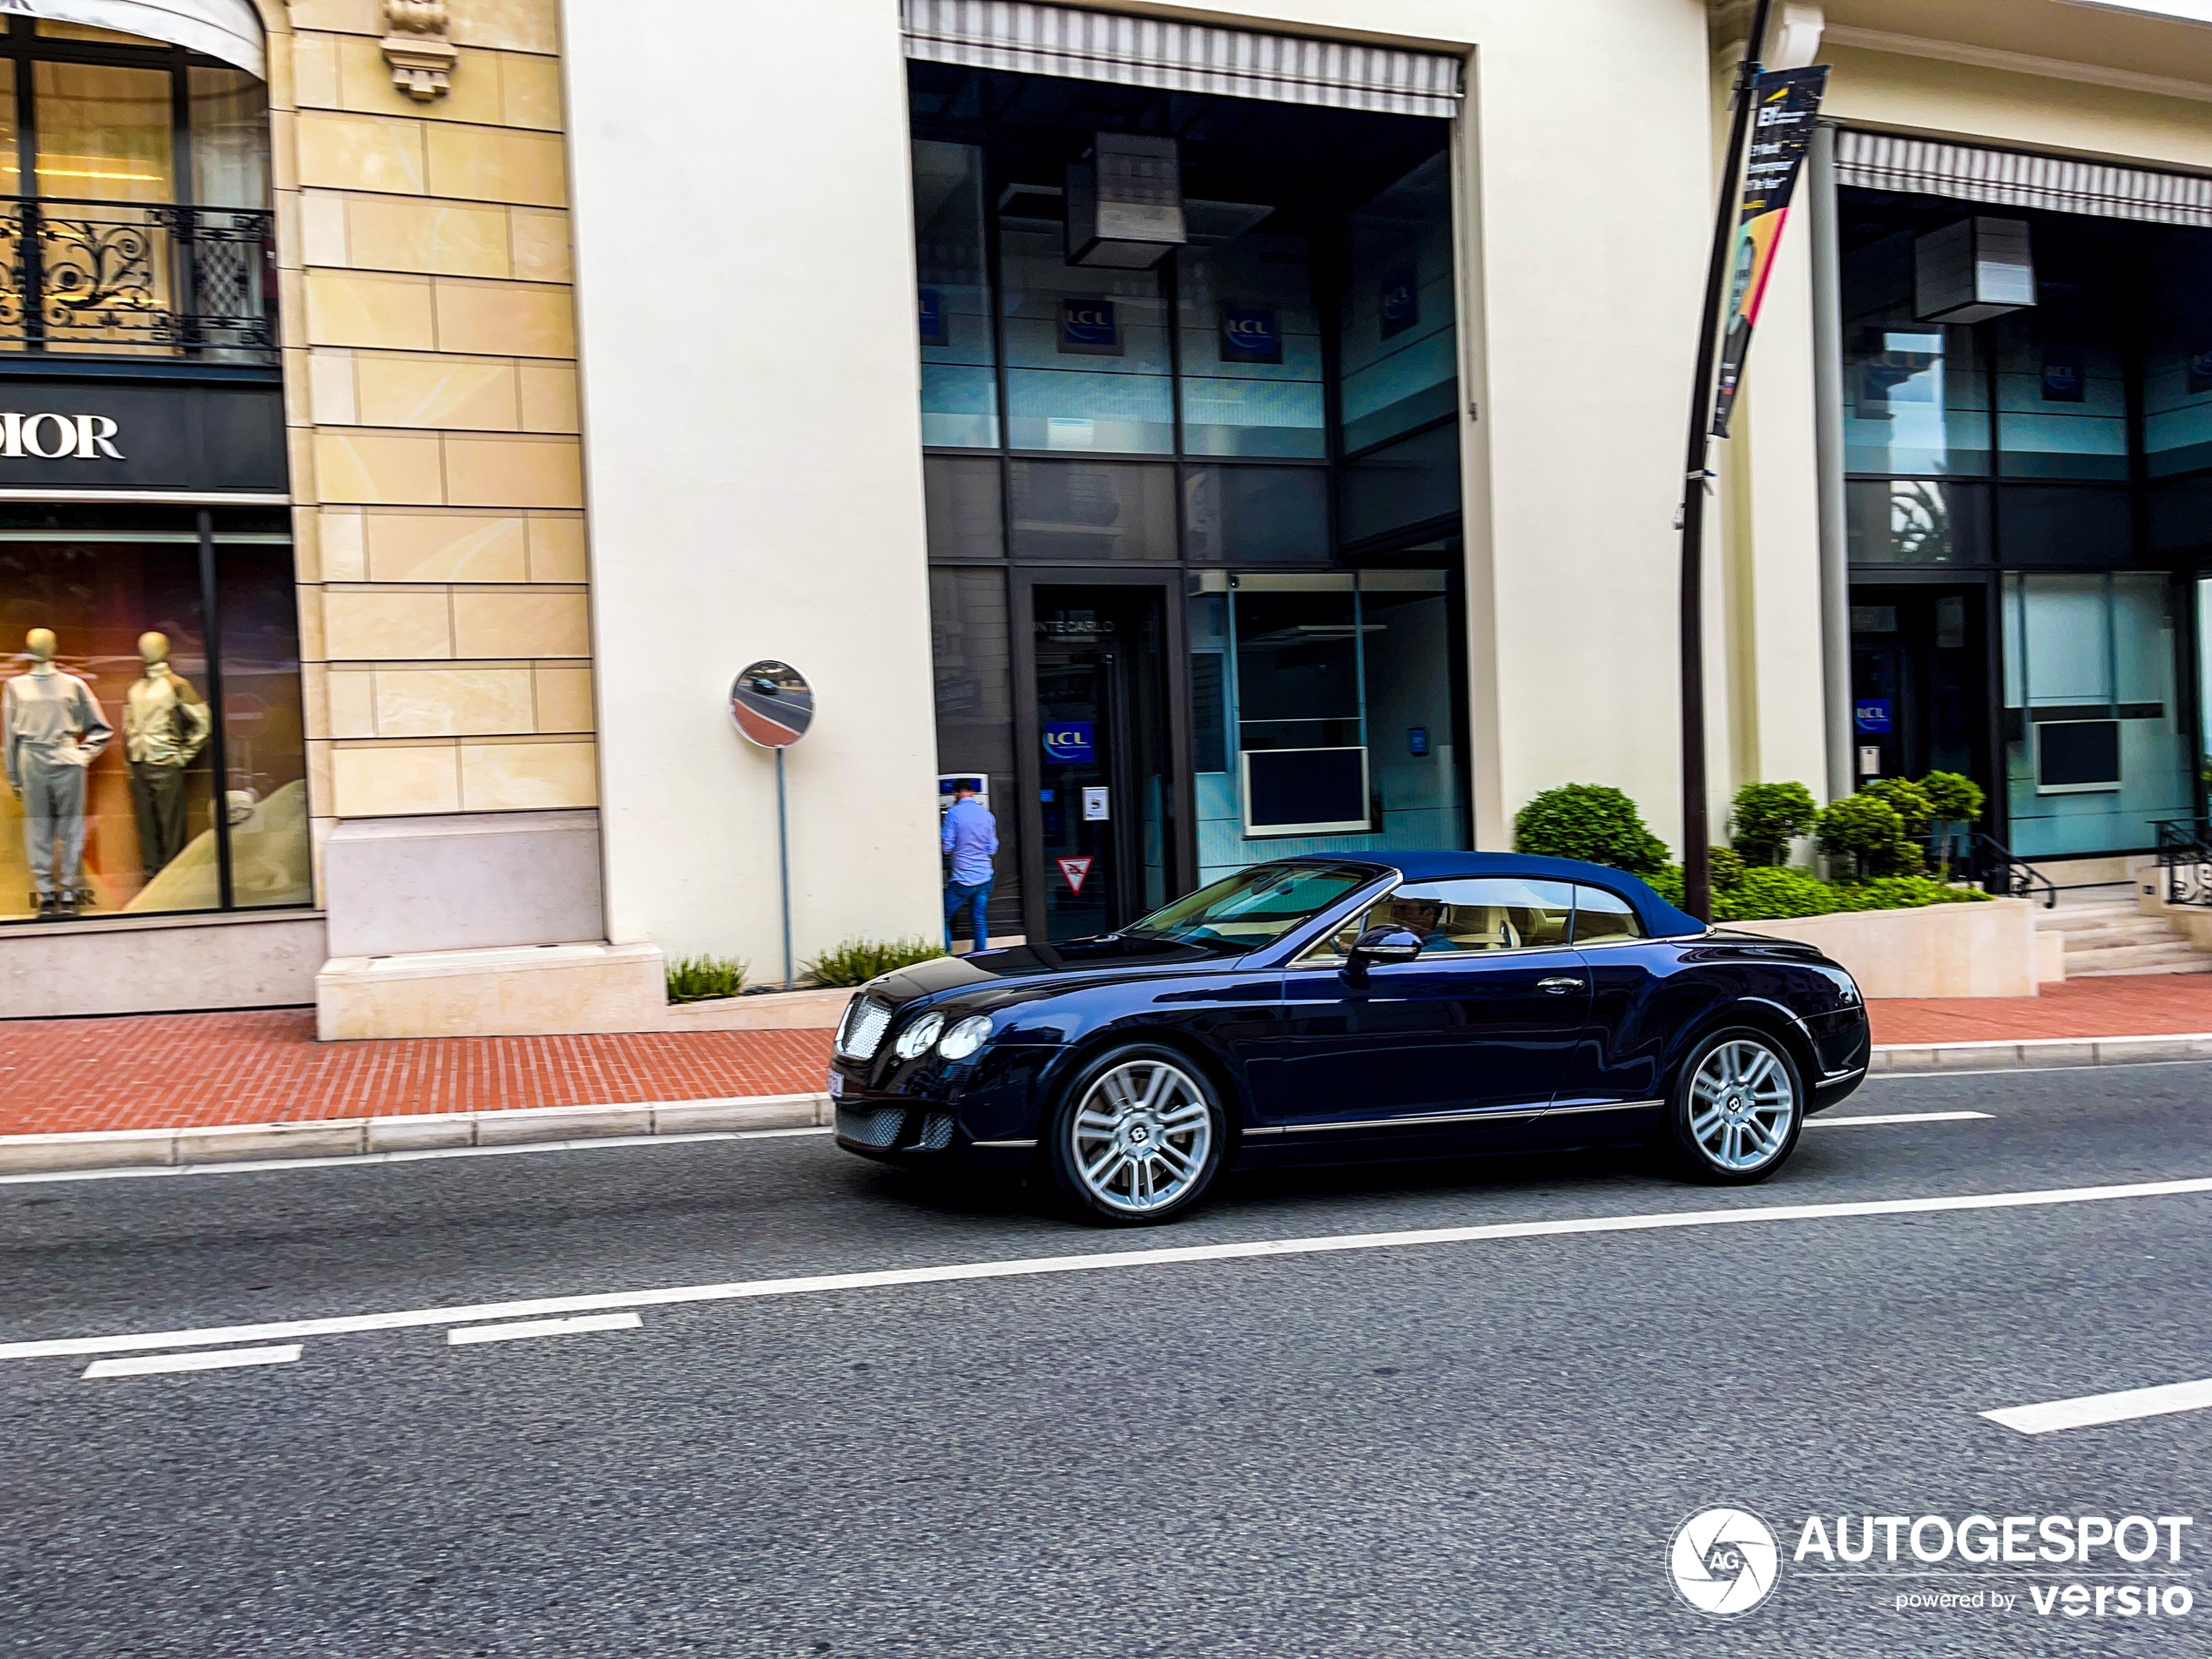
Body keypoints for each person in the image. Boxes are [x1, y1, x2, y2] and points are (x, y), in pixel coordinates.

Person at [941, 779, 999, 953]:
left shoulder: (953, 814)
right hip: (984, 877)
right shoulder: (986, 814)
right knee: (979, 920)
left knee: (942, 918)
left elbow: (946, 847)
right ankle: (981, 955)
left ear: (955, 794)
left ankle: (947, 958)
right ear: (973, 792)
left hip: (963, 879)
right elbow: (992, 848)